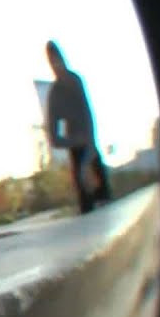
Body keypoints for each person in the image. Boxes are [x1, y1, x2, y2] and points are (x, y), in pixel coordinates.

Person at [45, 40, 111, 214]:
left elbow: (89, 115)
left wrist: (88, 154)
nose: (57, 65)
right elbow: (53, 138)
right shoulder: (55, 94)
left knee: (103, 198)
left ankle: (99, 194)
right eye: (53, 62)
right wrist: (74, 142)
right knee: (87, 205)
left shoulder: (75, 81)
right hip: (76, 148)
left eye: (58, 60)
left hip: (90, 146)